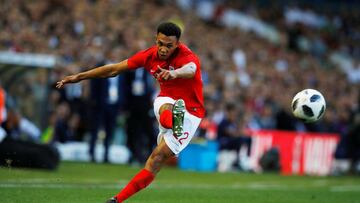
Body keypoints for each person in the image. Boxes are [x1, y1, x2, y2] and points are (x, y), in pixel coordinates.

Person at [56, 22, 205, 203]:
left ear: (178, 44)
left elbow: (191, 69)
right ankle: (174, 121)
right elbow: (113, 69)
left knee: (156, 159)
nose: (164, 49)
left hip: (192, 112)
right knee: (166, 106)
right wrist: (79, 77)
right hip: (166, 99)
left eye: (169, 45)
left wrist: (175, 74)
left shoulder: (187, 56)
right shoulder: (149, 55)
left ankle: (117, 199)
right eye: (160, 43)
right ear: (156, 39)